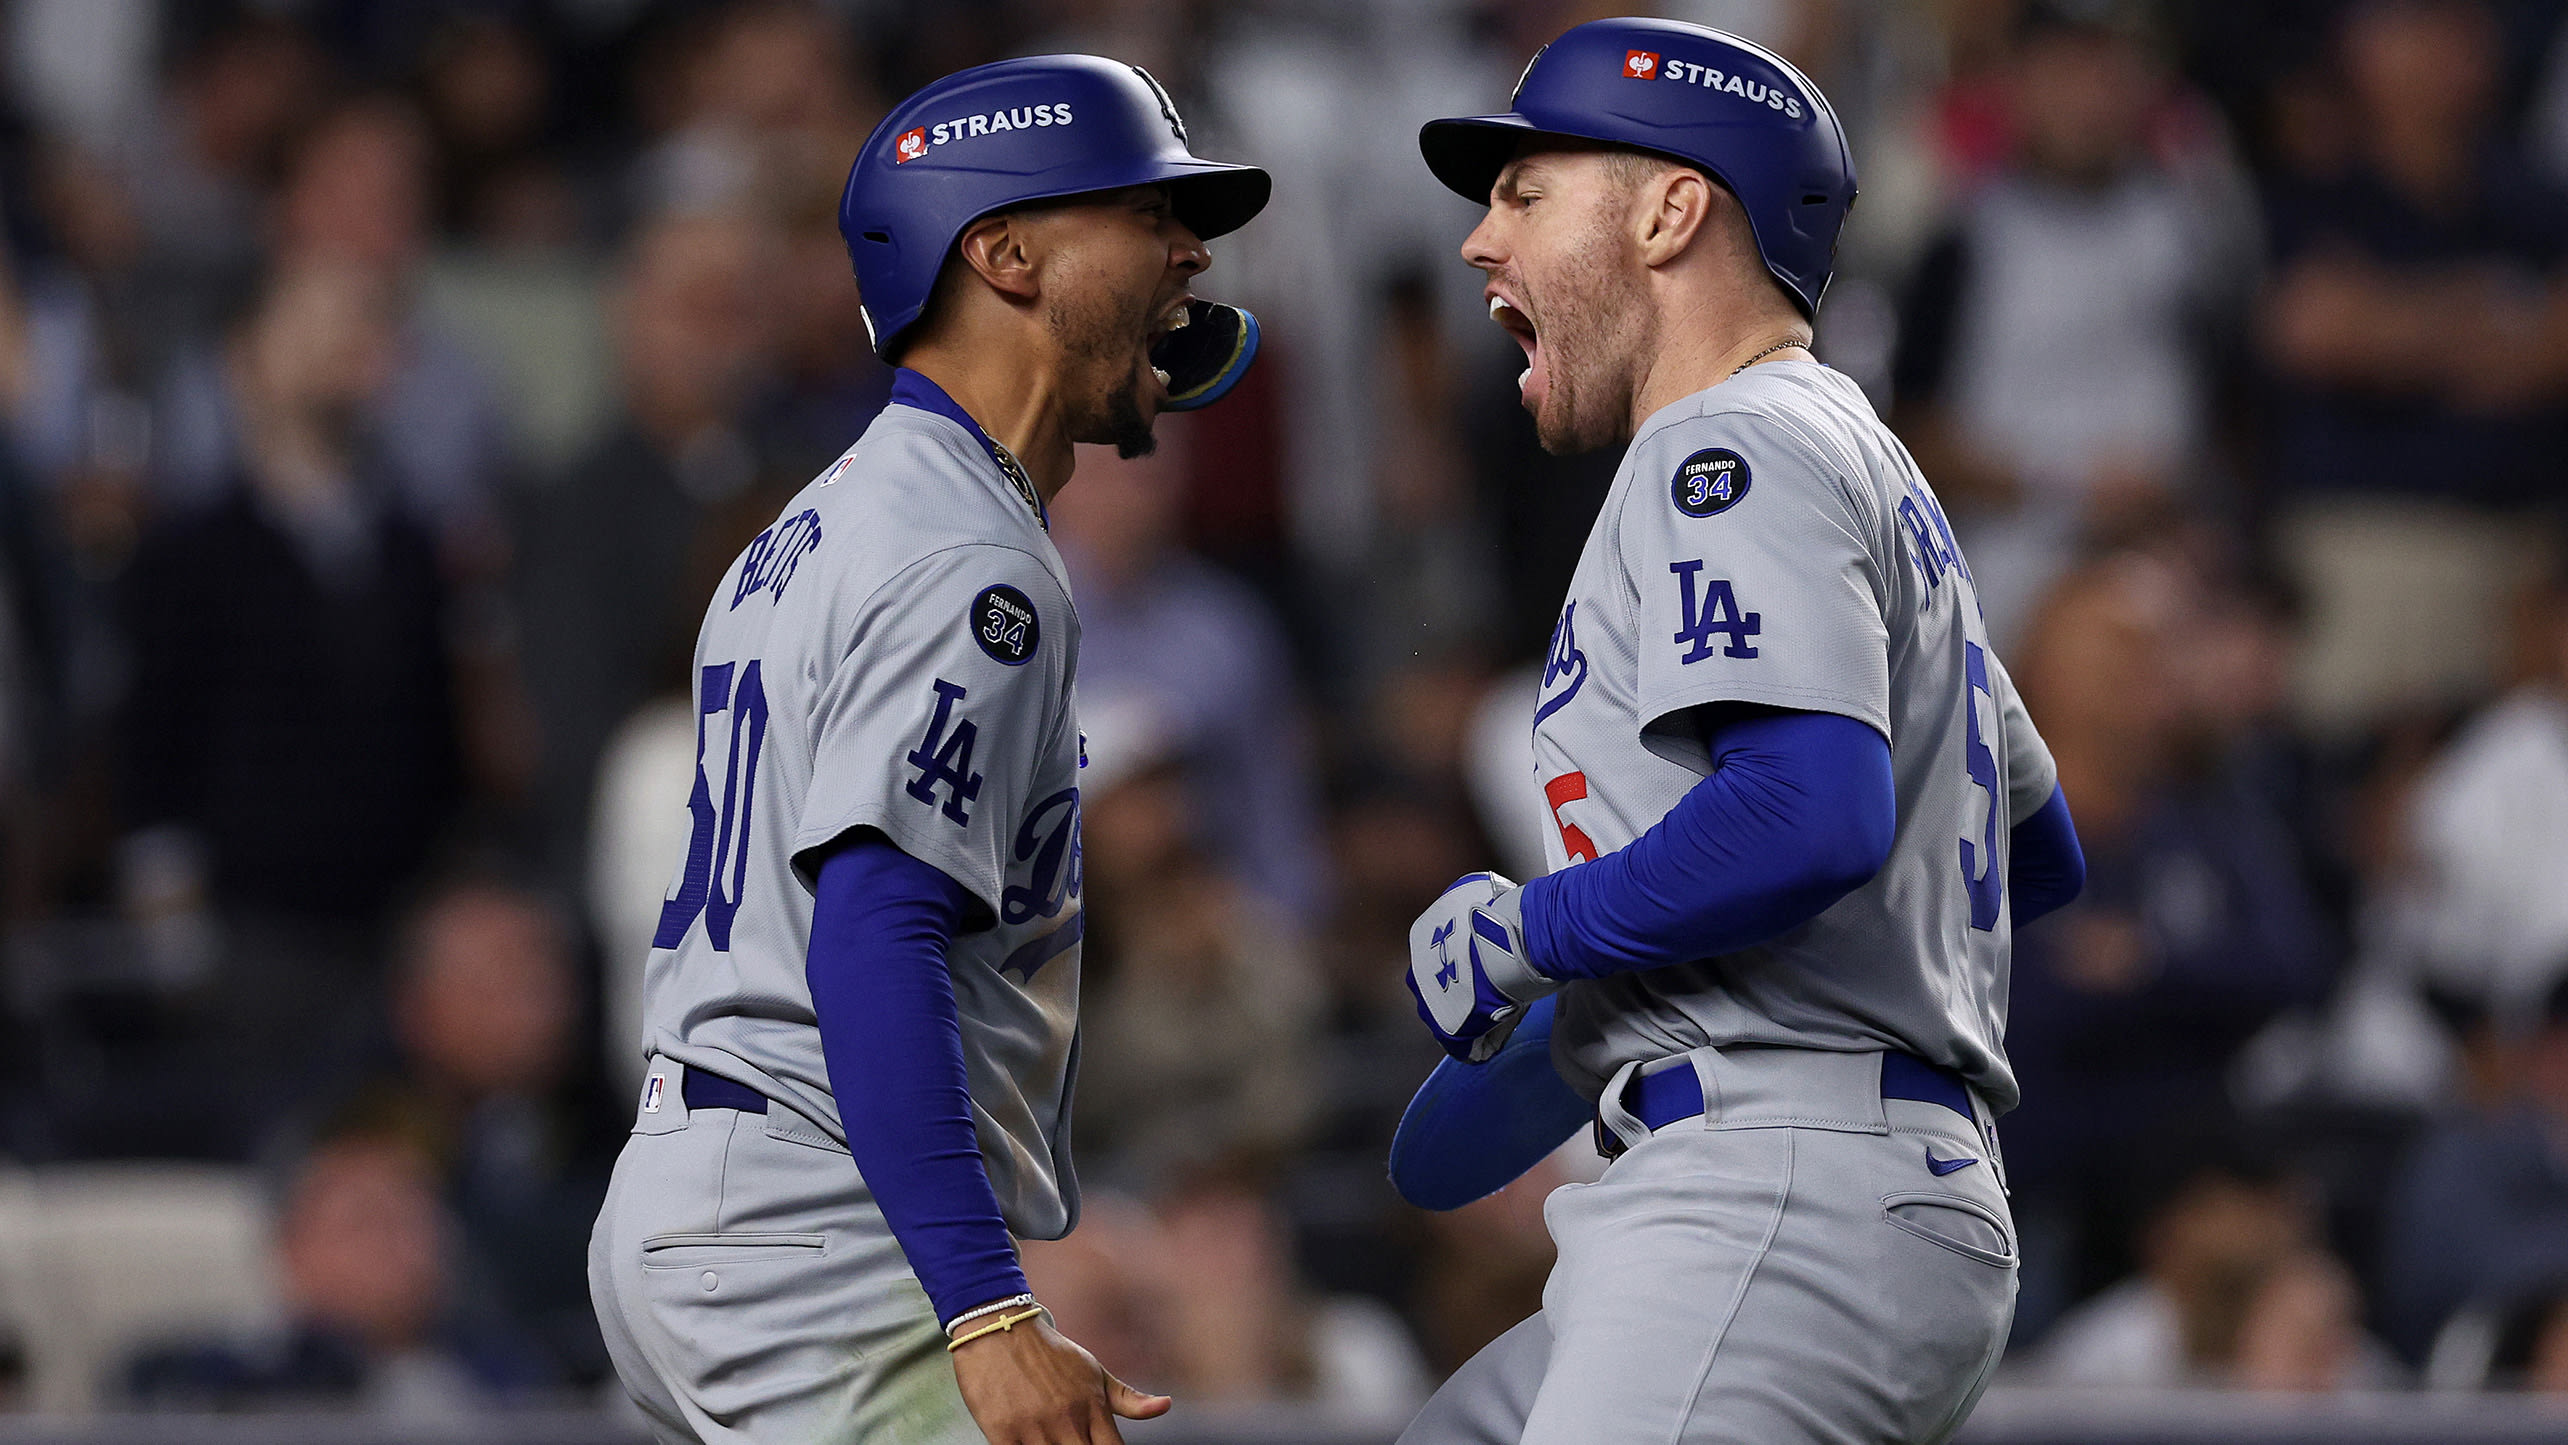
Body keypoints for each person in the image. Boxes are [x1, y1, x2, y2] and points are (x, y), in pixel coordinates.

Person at [1390, 20, 2083, 1444]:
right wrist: (1637, 981)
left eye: (1526, 193)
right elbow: (2034, 842)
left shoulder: (1731, 446)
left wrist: (1537, 931)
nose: (1479, 239)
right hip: (1828, 1175)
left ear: (1669, 211)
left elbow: (1809, 814)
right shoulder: (1872, 467)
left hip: (1774, 1189)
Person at [586, 55, 1270, 1445]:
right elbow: (875, 929)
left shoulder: (824, 519)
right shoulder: (970, 557)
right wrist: (987, 1308)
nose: (1192, 252)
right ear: (1004, 253)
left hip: (716, 1187)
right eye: (1147, 215)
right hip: (805, 1221)